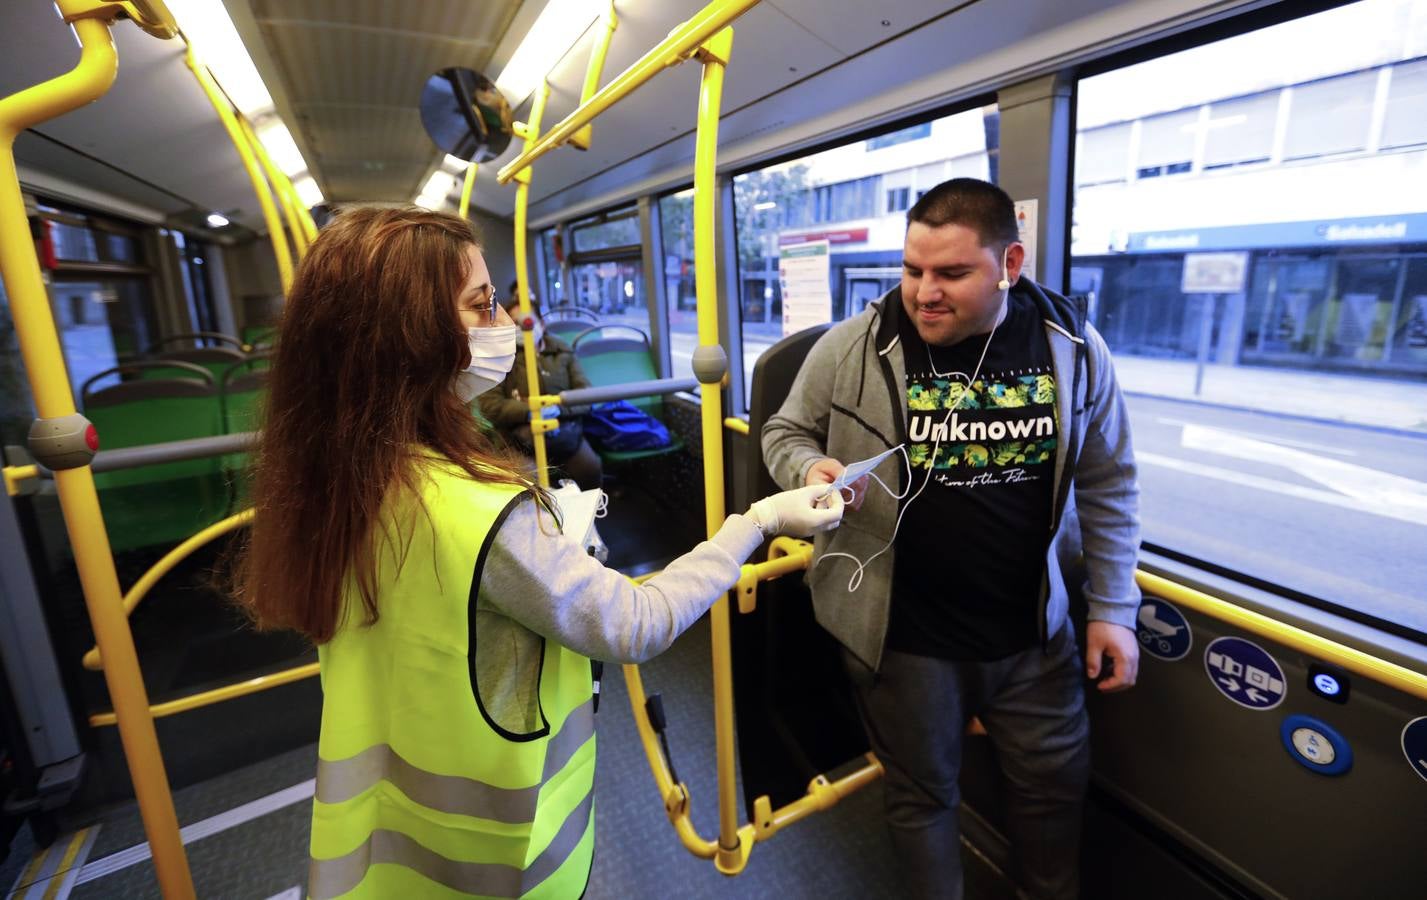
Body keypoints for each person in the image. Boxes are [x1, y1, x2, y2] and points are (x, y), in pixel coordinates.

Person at [229, 206, 843, 899]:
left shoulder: (335, 475)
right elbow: (632, 624)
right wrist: (757, 519)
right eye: (480, 303)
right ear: (409, 333)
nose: (507, 322)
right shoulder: (480, 512)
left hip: (374, 847)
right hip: (498, 859)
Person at [761, 178, 1141, 900]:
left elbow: (1110, 481)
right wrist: (808, 467)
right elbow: (784, 430)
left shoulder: (1073, 352)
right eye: (912, 270)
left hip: (1034, 635)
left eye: (950, 273)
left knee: (1052, 791)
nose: (922, 292)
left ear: (1009, 264)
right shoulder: (854, 346)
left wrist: (1112, 608)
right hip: (902, 639)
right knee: (921, 798)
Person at [478, 287, 603, 490]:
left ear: (542, 325)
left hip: (563, 431)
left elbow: (585, 396)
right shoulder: (501, 359)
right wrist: (530, 411)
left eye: (528, 323)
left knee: (590, 468)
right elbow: (490, 405)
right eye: (516, 324)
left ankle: (590, 517)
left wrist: (558, 407)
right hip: (518, 438)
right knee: (529, 482)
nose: (523, 329)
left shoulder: (562, 352)